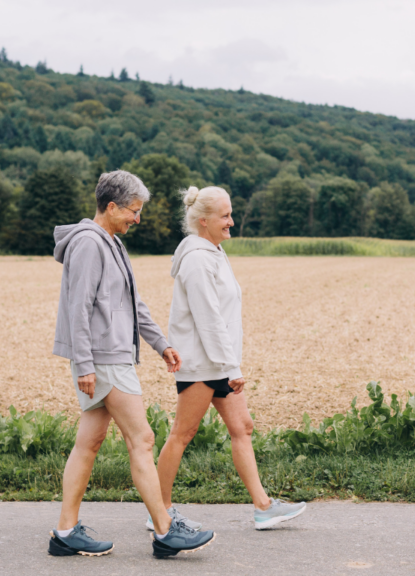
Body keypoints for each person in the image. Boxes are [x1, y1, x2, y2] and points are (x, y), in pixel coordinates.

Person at [49, 171, 216, 559]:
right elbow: (79, 308)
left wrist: (160, 344)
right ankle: (164, 531)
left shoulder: (112, 243)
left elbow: (133, 304)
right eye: (133, 211)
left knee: (88, 444)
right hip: (105, 359)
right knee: (142, 440)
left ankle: (65, 532)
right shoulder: (91, 244)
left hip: (109, 357)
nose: (137, 218)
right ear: (111, 206)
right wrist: (86, 364)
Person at [153, 185, 307, 531]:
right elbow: (208, 319)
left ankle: (264, 507)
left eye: (230, 214)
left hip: (219, 362)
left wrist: (229, 364)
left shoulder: (214, 252)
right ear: (203, 220)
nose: (232, 222)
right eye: (225, 216)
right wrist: (232, 367)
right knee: (183, 433)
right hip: (202, 364)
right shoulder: (195, 259)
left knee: (242, 428)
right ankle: (159, 510)